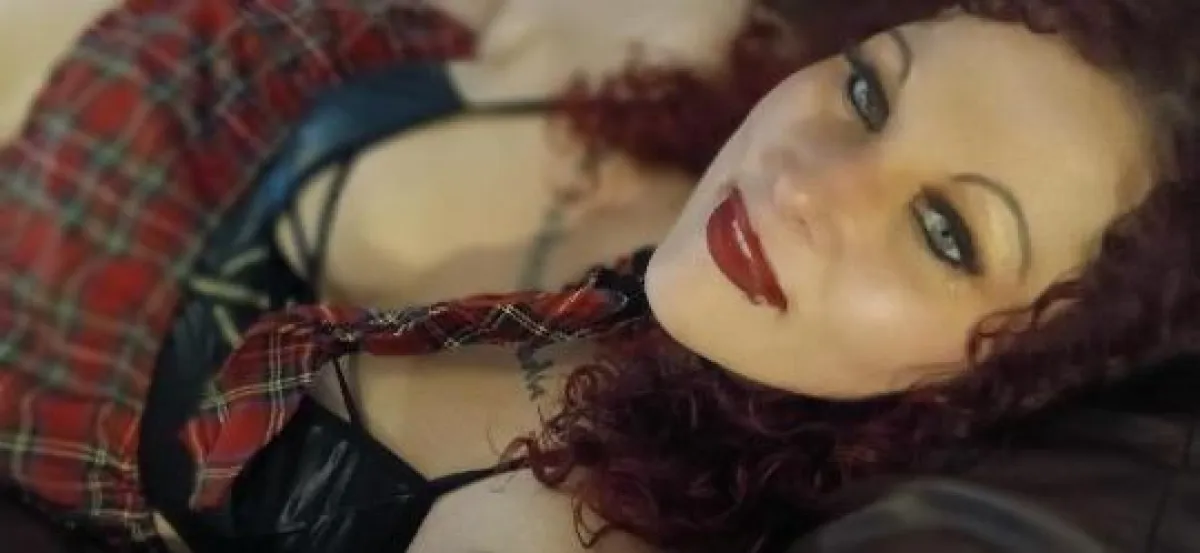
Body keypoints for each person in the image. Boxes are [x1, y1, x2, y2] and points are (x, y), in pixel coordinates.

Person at [0, 0, 793, 551]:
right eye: (857, 89)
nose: (812, 188)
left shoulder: (583, 511)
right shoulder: (716, 82)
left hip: (72, 399)